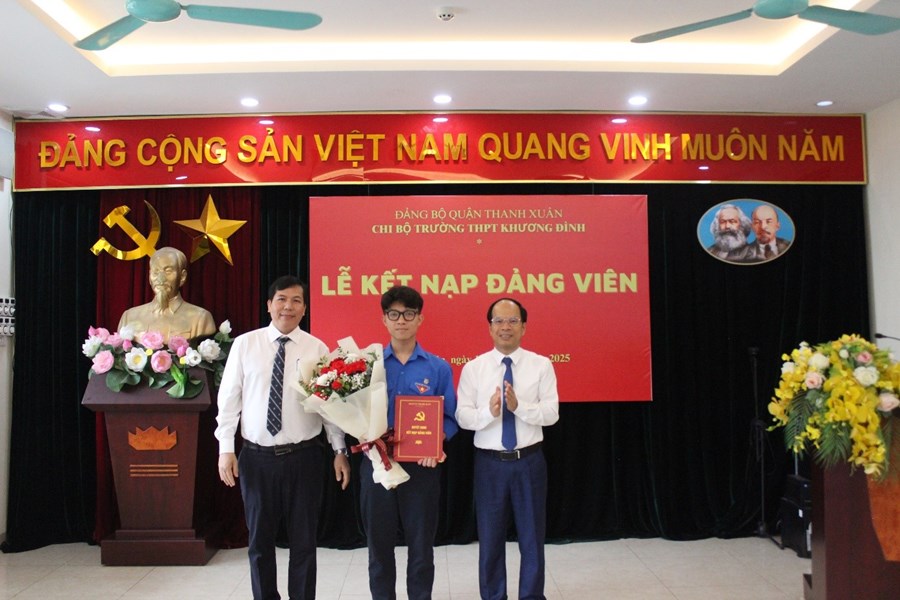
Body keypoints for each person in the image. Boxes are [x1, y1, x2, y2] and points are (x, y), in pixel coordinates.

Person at [215, 275, 351, 600]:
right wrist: (225, 448)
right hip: (256, 458)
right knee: (260, 541)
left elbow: (327, 406)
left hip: (304, 457)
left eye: (296, 301)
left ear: (304, 309)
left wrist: (339, 449)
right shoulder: (245, 345)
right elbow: (229, 399)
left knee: (304, 541)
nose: (288, 307)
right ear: (269, 305)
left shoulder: (317, 348)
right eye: (281, 299)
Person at [456, 298, 559, 600]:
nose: (506, 327)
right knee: (490, 539)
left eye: (513, 321)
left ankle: (532, 596)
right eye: (499, 321)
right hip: (490, 464)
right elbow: (462, 417)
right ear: (489, 328)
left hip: (529, 462)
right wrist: (489, 413)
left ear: (523, 327)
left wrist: (519, 407)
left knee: (532, 539)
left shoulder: (541, 365)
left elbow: (551, 414)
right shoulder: (474, 368)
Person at [361, 285, 458, 600]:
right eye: (394, 314)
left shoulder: (438, 367)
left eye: (408, 314)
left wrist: (437, 441)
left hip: (422, 468)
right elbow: (352, 409)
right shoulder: (368, 365)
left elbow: (450, 418)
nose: (401, 320)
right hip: (377, 465)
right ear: (384, 320)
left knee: (421, 547)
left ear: (420, 319)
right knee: (378, 547)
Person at [118, 246, 217, 342]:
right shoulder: (129, 317)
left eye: (168, 271)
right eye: (156, 272)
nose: (160, 279)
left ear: (182, 277)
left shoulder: (201, 318)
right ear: (149, 276)